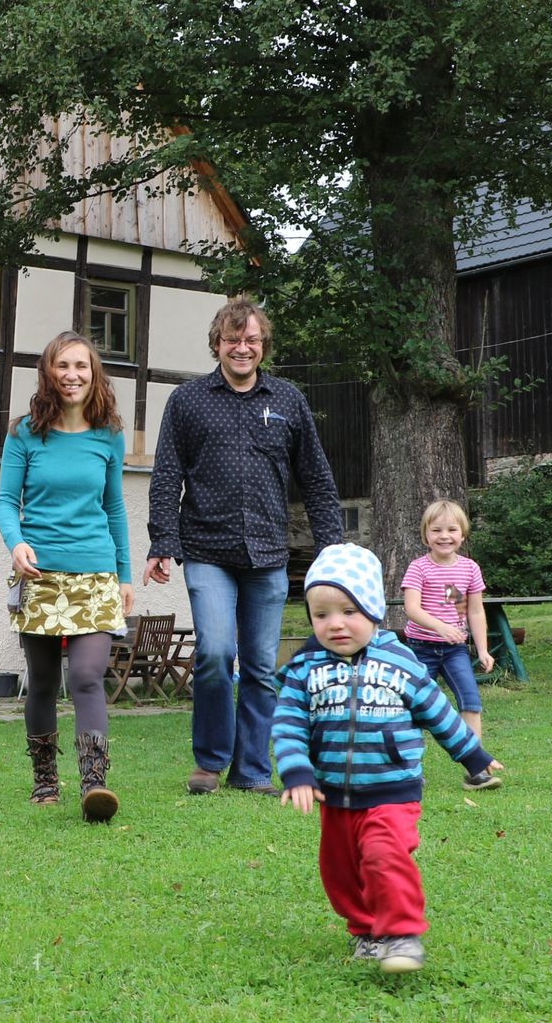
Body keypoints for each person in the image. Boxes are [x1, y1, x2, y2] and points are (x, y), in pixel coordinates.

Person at [273, 543, 504, 974]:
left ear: (374, 610)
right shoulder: (305, 668)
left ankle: (400, 933)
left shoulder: (402, 661)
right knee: (340, 870)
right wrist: (297, 771)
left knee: (382, 854)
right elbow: (288, 725)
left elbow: (438, 712)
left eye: (348, 611)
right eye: (321, 615)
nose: (335, 624)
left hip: (392, 789)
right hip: (335, 794)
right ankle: (365, 930)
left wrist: (472, 755)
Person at [144, 297, 342, 795]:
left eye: (251, 339)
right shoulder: (187, 401)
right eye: (233, 339)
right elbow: (167, 475)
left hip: (267, 553)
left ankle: (252, 772)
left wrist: (332, 545)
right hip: (208, 549)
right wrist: (162, 541)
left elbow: (316, 478)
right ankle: (209, 762)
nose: (242, 348)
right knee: (214, 652)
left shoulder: (289, 401)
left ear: (263, 346)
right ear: (217, 343)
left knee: (258, 666)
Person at [0, 330, 134, 822]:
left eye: (81, 366)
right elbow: (6, 501)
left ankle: (94, 783)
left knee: (86, 675)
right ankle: (44, 779)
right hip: (42, 573)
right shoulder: (24, 434)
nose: (72, 375)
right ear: (48, 374)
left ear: (94, 373)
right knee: (43, 682)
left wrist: (124, 574)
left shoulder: (109, 434)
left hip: (95, 573)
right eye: (63, 366)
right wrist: (16, 544)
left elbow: (114, 507)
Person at [400, 499, 500, 778]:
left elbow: (475, 611)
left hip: (455, 650)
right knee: (414, 707)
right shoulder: (418, 568)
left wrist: (482, 649)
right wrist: (440, 627)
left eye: (452, 530)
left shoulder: (469, 569)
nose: (444, 536)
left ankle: (476, 768)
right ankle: (407, 769)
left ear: (463, 534)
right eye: (436, 530)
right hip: (421, 649)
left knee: (470, 700)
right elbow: (412, 608)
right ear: (426, 536)